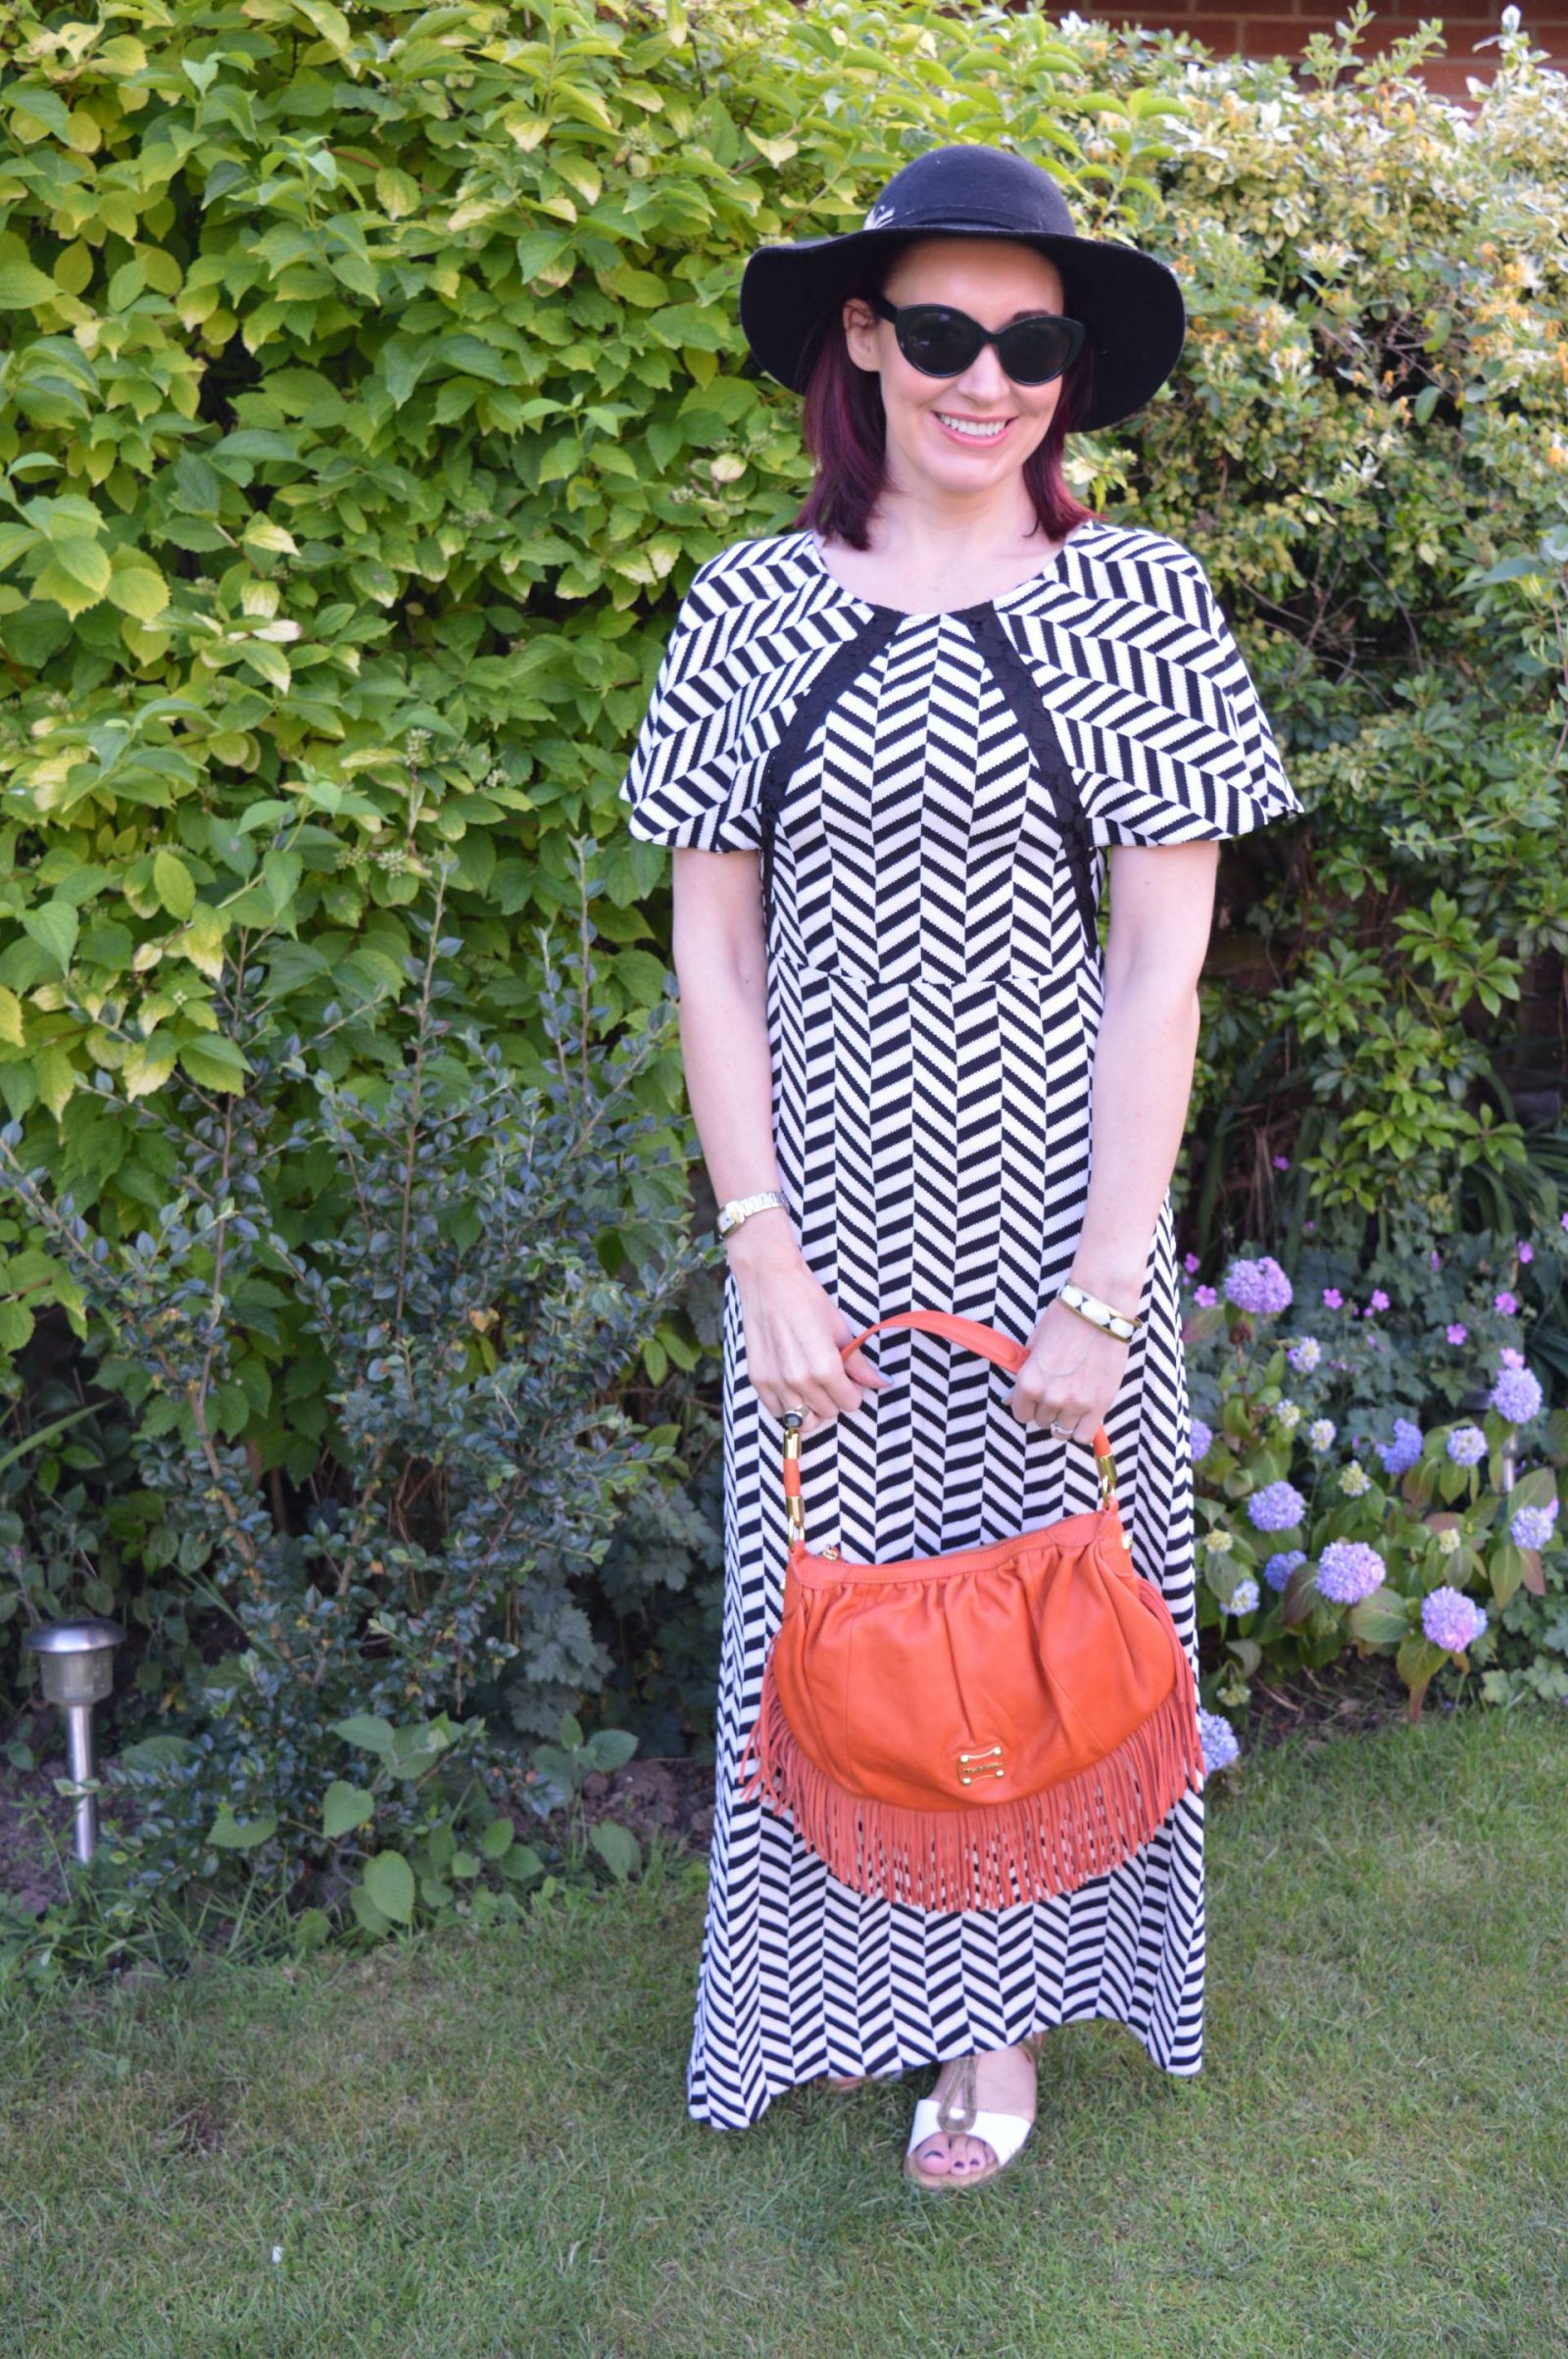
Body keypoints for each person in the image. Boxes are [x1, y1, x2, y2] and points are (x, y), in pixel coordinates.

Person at [617, 144, 1301, 2192]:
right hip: (815, 1224)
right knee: (834, 1620)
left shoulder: (1138, 601)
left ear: (1067, 372)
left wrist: (1104, 1285)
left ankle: (991, 2021)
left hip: (1053, 1226)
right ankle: (837, 1995)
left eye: (1028, 344)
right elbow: (712, 948)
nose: (983, 379)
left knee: (1031, 1632)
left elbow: (1161, 963)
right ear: (860, 339)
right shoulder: (747, 607)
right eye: (939, 331)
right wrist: (757, 1251)